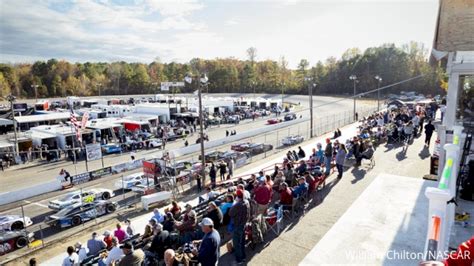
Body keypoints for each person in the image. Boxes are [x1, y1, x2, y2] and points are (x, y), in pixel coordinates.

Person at [228, 189, 250, 264]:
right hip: (243, 224)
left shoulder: (237, 205)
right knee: (242, 242)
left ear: (237, 196)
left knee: (237, 244)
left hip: (237, 226)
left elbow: (230, 213)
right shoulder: (246, 202)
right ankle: (243, 256)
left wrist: (235, 203)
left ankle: (239, 260)